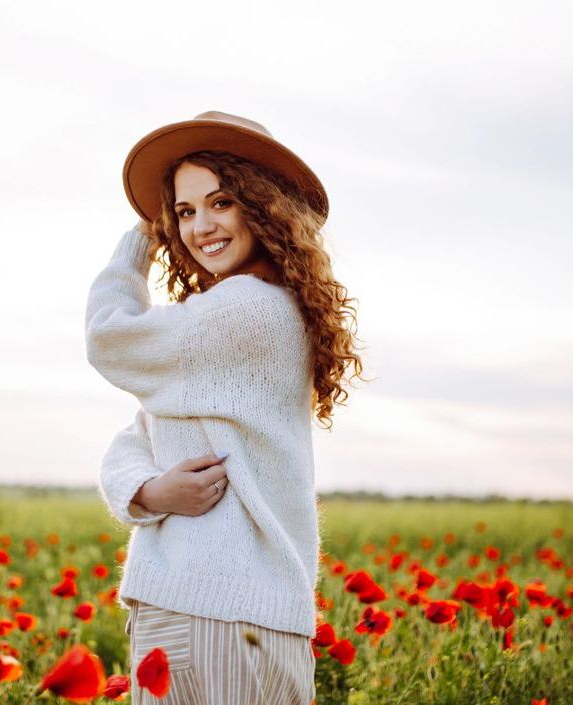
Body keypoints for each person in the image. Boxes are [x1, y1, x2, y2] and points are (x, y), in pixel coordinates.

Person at [85, 110, 365, 704]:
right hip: (217, 609)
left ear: (264, 207)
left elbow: (108, 336)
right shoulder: (237, 320)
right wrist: (147, 492)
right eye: (182, 212)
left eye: (221, 202)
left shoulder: (245, 310)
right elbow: (136, 435)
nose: (199, 226)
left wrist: (139, 237)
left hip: (216, 610)